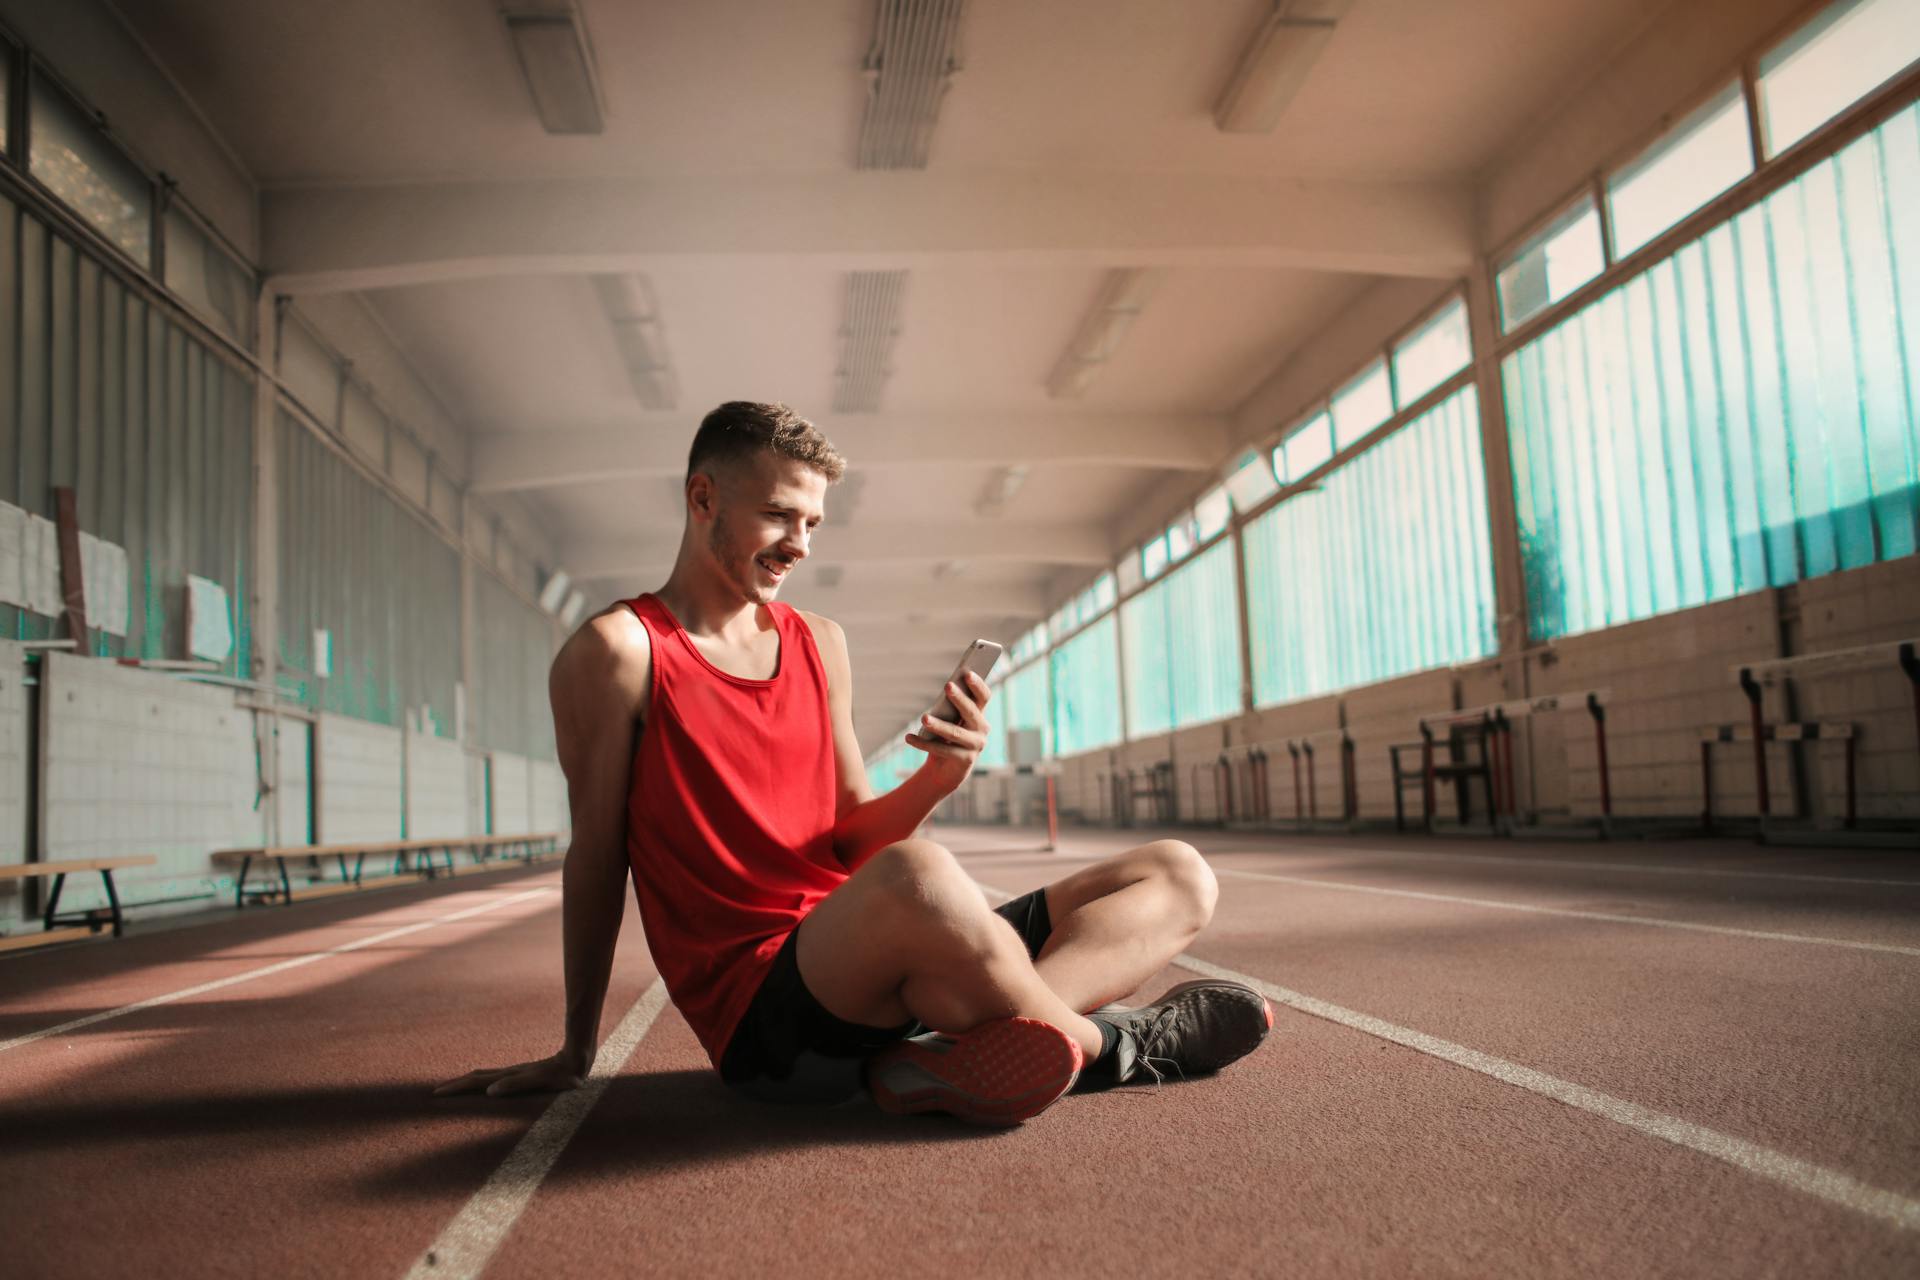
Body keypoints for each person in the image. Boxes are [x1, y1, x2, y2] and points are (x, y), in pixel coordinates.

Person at [436, 402, 1273, 1125]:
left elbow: (851, 843)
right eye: (778, 516)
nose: (798, 543)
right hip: (767, 1019)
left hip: (874, 959)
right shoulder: (618, 652)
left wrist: (936, 780)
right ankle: (1118, 1042)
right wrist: (576, 1048)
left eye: (812, 523)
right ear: (702, 499)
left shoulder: (820, 644)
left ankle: (952, 1050)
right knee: (921, 876)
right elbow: (595, 855)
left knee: (1176, 873)